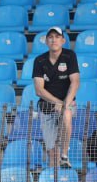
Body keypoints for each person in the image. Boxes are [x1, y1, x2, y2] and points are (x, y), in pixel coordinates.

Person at [31, 26, 80, 167]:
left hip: (67, 103)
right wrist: (58, 102)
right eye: (51, 37)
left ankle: (65, 155)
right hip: (46, 107)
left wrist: (65, 105)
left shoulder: (70, 56)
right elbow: (39, 90)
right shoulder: (39, 61)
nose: (54, 40)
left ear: (63, 40)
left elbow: (75, 82)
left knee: (66, 115)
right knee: (52, 153)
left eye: (57, 37)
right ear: (46, 41)